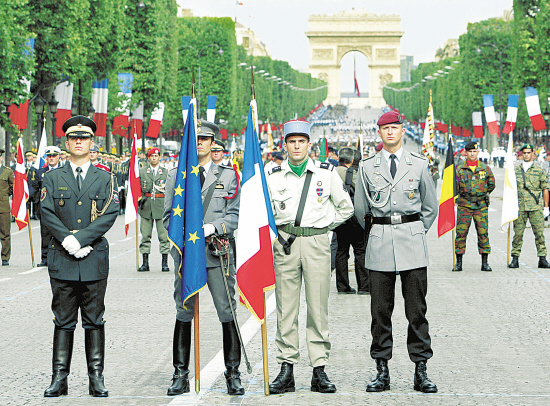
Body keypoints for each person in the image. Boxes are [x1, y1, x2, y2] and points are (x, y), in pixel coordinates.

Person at [266, 120, 353, 394]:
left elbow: (346, 208)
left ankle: (319, 369)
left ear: (309, 145)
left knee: (318, 308)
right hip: (285, 243)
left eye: (301, 141)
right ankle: (286, 368)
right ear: (285, 145)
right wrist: (274, 236)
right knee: (286, 309)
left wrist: (324, 229)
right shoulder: (274, 176)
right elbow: (264, 214)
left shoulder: (326, 175)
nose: (296, 146)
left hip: (316, 243)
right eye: (292, 141)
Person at [354, 111, 438, 394]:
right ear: (379, 133)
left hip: (411, 243)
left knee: (417, 311)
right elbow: (361, 210)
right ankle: (381, 369)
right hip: (379, 242)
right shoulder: (366, 167)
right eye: (385, 128)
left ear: (403, 131)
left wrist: (414, 230)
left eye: (394, 128)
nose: (390, 132)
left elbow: (430, 207)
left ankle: (421, 370)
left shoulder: (419, 164)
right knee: (380, 312)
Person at [163, 120, 243, 396]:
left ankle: (233, 372)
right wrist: (185, 236)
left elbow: (234, 215)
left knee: (227, 310)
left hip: (217, 253)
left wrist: (212, 227)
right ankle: (180, 373)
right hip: (188, 255)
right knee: (183, 311)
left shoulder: (229, 176)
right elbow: (167, 217)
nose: (200, 143)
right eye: (195, 139)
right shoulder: (176, 176)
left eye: (205, 139)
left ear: (213, 143)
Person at [41, 115, 119, 397]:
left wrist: (82, 239)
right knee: (62, 319)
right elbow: (46, 212)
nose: (78, 141)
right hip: (62, 257)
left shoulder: (106, 178)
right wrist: (68, 240)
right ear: (66, 142)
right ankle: (59, 378)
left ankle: (95, 378)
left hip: (93, 256)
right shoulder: (51, 177)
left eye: (84, 138)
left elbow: (110, 212)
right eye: (74, 137)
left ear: (91, 142)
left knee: (94, 319)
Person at [454, 141, 495, 272]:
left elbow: (491, 184)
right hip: (464, 205)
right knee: (461, 233)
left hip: (480, 206)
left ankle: (485, 262)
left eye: (474, 152)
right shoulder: (459, 169)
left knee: (483, 234)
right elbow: (454, 187)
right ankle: (459, 262)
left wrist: (482, 193)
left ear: (478, 153)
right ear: (466, 153)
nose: (472, 154)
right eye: (470, 152)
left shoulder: (485, 168)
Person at [509, 144, 550, 268]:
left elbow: (545, 189)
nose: (526, 155)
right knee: (518, 234)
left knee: (539, 234)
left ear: (533, 153)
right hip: (520, 207)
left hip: (535, 207)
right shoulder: (515, 170)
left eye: (528, 153)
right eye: (524, 153)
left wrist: (546, 207)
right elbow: (510, 188)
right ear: (521, 154)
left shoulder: (539, 170)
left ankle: (542, 258)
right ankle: (515, 258)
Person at [334, 147, 369, 294]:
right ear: (353, 160)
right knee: (360, 251)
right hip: (355, 218)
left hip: (339, 219)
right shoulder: (354, 173)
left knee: (341, 251)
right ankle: (364, 286)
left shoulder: (331, 172)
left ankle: (342, 286)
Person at [138, 147, 170, 272]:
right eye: (151, 156)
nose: (154, 158)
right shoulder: (142, 171)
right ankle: (145, 263)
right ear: (148, 158)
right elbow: (137, 189)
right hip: (146, 207)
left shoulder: (166, 172)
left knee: (163, 236)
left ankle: (164, 263)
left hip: (161, 206)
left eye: (156, 156)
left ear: (159, 157)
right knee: (145, 236)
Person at [34, 146, 62, 267]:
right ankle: (45, 258)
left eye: (54, 156)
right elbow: (35, 189)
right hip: (45, 208)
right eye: (49, 156)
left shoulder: (64, 171)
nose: (51, 158)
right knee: (45, 234)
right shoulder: (40, 172)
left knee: (60, 233)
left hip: (61, 208)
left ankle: (61, 258)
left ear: (58, 157)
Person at [0, 149, 13, 265]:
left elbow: (12, 188)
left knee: (5, 233)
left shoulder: (7, 172)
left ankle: (5, 257)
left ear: (1, 158)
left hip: (3, 207)